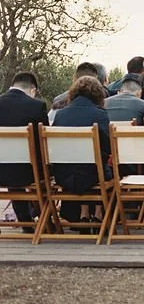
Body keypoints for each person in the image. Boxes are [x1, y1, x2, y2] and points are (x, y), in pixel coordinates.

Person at [51, 76, 112, 226]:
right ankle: (98, 214)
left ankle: (84, 213)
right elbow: (108, 147)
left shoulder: (60, 114)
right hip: (92, 174)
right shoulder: (99, 114)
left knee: (91, 164)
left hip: (64, 175)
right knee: (102, 166)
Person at [0, 72, 49, 231]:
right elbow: (44, 143)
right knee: (45, 171)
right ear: (32, 90)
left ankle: (25, 220)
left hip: (2, 169)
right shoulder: (37, 106)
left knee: (12, 167)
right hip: (28, 172)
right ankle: (45, 219)